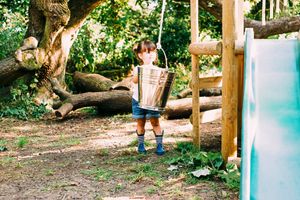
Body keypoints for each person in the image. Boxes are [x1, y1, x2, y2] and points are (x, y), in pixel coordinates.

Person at [131, 40, 165, 155]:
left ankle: (159, 145)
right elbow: (135, 81)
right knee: (141, 123)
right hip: (138, 100)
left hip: (152, 100)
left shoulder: (158, 70)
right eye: (147, 52)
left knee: (155, 122)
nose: (150, 54)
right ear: (140, 55)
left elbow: (162, 86)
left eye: (153, 52)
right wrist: (139, 73)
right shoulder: (138, 69)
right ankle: (141, 144)